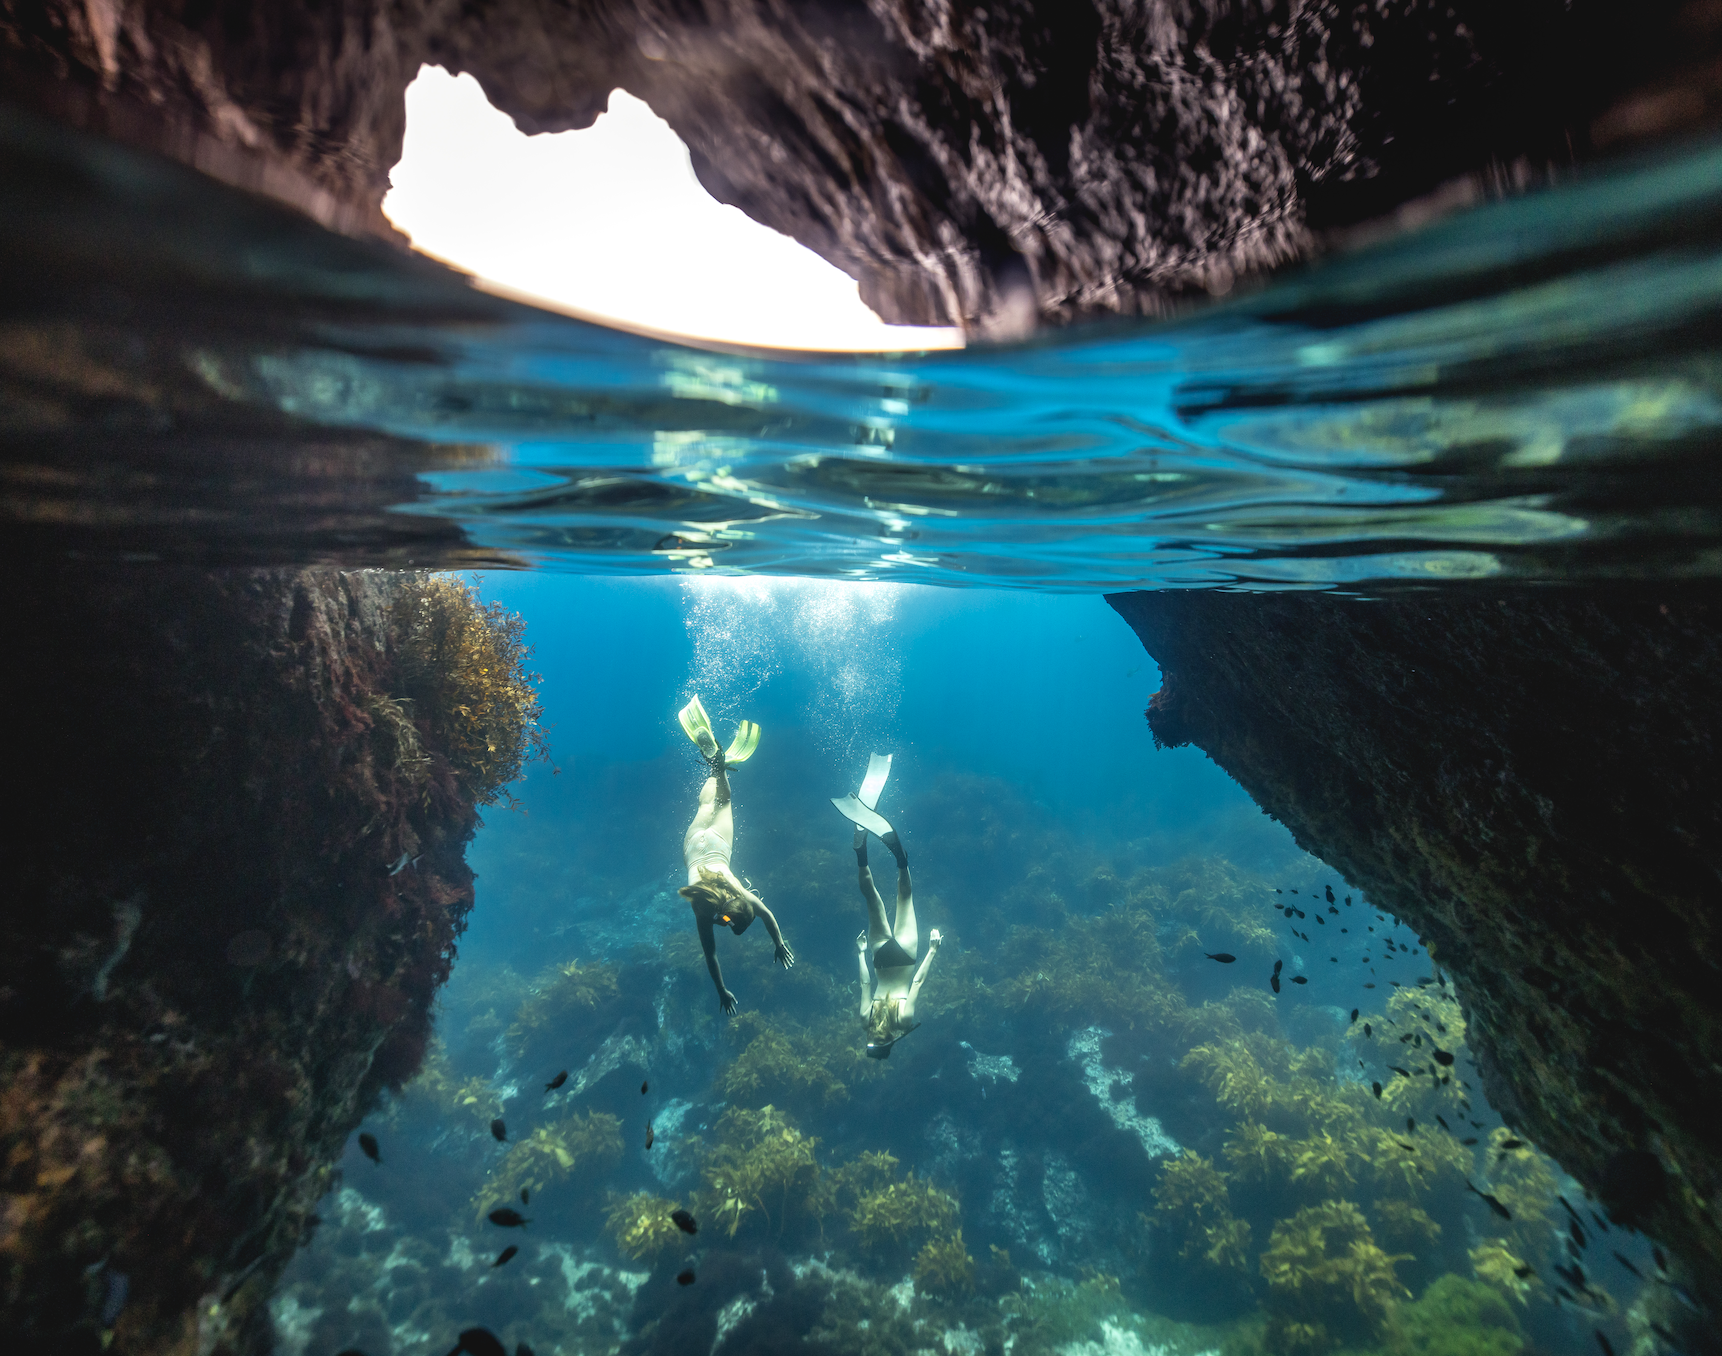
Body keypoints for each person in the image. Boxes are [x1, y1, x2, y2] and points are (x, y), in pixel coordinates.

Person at [677, 695, 793, 1014]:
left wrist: (779, 943)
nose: (725, 924)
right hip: (693, 846)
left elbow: (767, 916)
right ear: (727, 918)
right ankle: (715, 769)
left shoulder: (737, 892)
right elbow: (710, 955)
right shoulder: (703, 910)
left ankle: (719, 770)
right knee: (704, 806)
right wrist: (722, 990)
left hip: (715, 845)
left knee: (723, 802)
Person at [831, 754, 940, 1058]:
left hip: (905, 958)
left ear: (890, 1043)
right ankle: (861, 852)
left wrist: (933, 950)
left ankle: (901, 859)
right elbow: (865, 982)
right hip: (879, 957)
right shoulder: (865, 1019)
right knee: (871, 898)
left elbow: (917, 982)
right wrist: (861, 953)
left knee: (904, 897)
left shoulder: (904, 1021)